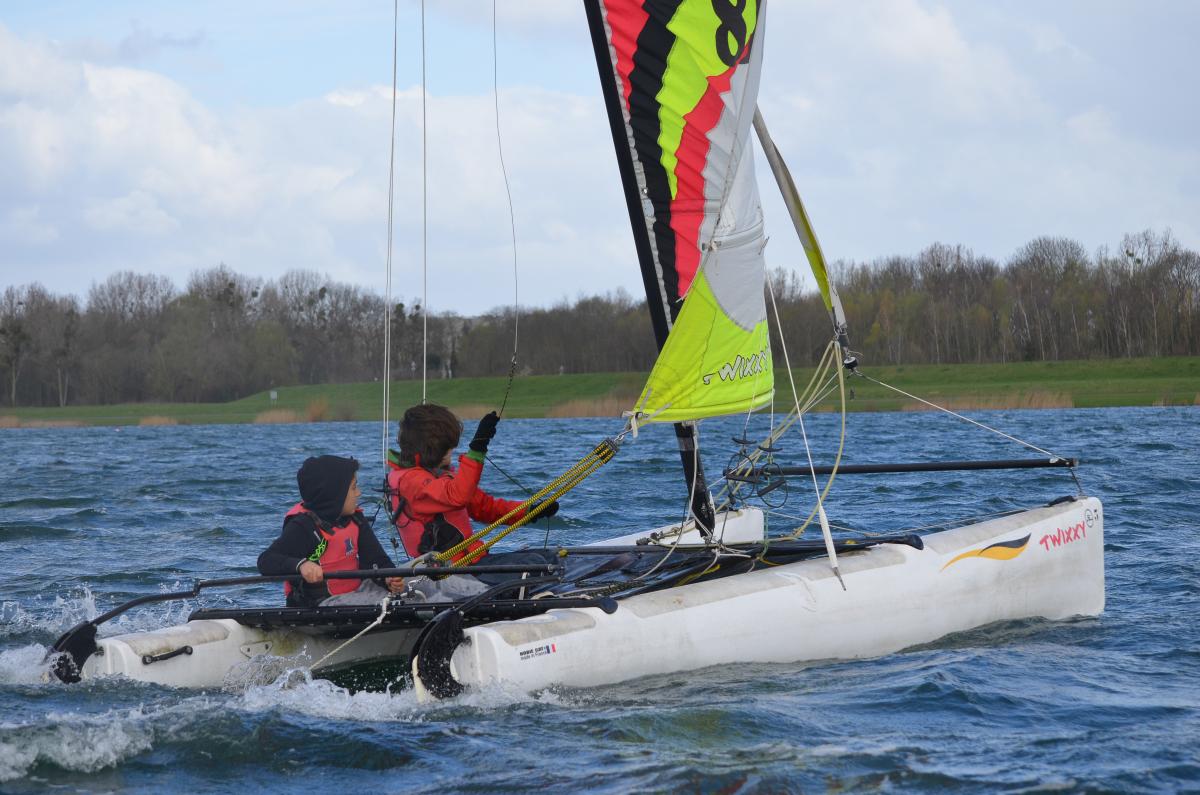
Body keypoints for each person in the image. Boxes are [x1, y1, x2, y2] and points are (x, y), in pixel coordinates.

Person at [386, 405, 558, 565]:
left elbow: (485, 507)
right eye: (448, 448)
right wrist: (478, 448)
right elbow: (458, 496)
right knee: (536, 563)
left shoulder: (438, 476)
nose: (452, 452)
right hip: (451, 569)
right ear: (433, 449)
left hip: (472, 561)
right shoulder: (412, 482)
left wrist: (530, 511)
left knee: (547, 557)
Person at [258, 455, 405, 607]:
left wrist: (389, 578)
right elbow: (266, 560)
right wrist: (301, 565)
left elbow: (377, 560)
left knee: (413, 586)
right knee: (396, 602)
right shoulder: (303, 526)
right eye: (353, 488)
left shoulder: (356, 518)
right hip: (321, 604)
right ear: (335, 494)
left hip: (357, 592)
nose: (358, 493)